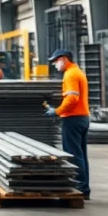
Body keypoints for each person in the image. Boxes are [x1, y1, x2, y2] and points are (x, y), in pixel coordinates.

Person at [44, 49, 91, 199]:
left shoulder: (70, 74)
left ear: (64, 59)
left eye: (56, 61)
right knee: (81, 155)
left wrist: (57, 111)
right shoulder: (78, 72)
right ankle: (84, 189)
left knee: (74, 155)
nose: (55, 64)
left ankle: (79, 189)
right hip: (82, 117)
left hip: (73, 119)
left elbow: (71, 99)